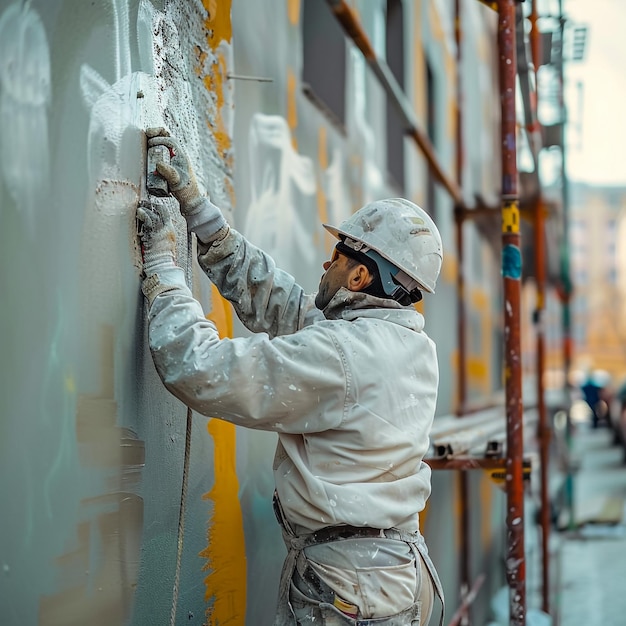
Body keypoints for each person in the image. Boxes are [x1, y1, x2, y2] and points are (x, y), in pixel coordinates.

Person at [137, 127, 445, 626]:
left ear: (359, 277)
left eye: (339, 255)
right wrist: (199, 210)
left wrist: (163, 272)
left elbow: (200, 369)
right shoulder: (407, 344)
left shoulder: (343, 355)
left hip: (351, 592)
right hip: (389, 574)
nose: (328, 262)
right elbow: (283, 305)